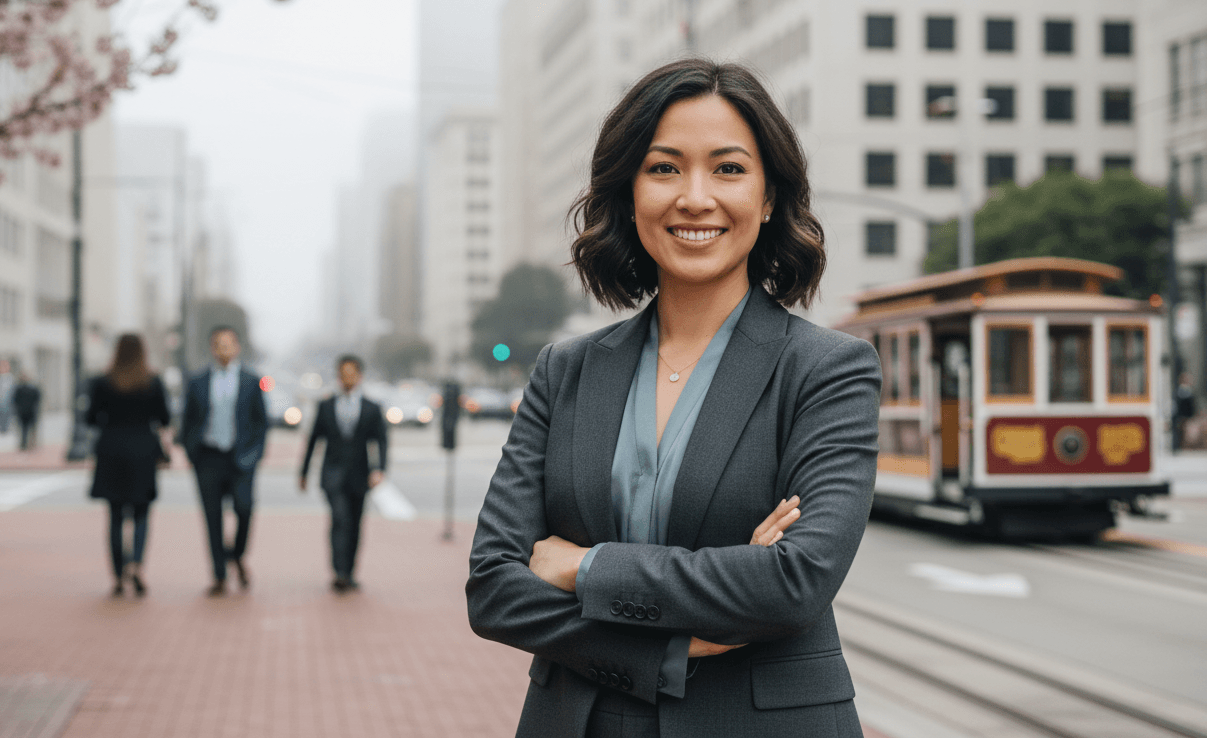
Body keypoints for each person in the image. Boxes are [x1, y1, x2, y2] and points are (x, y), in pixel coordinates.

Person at [466, 58, 881, 738]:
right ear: (629, 191)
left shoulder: (827, 371)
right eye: (663, 168)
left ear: (770, 196)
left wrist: (584, 566)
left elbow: (793, 584)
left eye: (728, 168)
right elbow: (494, 588)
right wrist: (669, 648)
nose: (694, 197)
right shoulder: (564, 370)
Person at [179, 326, 269, 596]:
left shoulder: (252, 381)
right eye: (218, 344)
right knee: (212, 517)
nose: (224, 349)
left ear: (237, 347)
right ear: (212, 348)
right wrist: (192, 453)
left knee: (244, 509)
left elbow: (260, 423)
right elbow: (188, 421)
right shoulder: (197, 381)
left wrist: (255, 455)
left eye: (228, 344)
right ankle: (218, 574)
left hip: (241, 459)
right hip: (208, 458)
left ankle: (237, 555)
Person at [87, 334, 171, 598]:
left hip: (111, 449)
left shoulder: (103, 381)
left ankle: (118, 574)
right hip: (143, 451)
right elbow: (164, 417)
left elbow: (91, 417)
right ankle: (136, 563)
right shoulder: (152, 381)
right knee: (142, 513)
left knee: (114, 515)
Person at [298, 354, 388, 593]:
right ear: (338, 377)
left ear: (359, 376)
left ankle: (349, 572)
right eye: (343, 374)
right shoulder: (325, 405)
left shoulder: (372, 407)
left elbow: (381, 441)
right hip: (332, 474)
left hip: (360, 475)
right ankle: (338, 572)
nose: (347, 378)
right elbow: (313, 440)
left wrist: (380, 469)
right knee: (339, 519)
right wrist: (304, 472)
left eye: (352, 374)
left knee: (356, 524)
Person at [12, 373, 42, 451]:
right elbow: (15, 400)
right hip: (24, 412)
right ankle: (25, 444)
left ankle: (31, 444)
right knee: (24, 429)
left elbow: (38, 398)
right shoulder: (19, 388)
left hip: (30, 411)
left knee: (31, 429)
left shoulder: (33, 388)